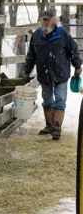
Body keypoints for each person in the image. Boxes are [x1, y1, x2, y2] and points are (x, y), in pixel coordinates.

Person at [24, 8, 82, 140]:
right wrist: (27, 71)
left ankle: (57, 127)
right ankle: (49, 125)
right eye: (43, 19)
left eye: (47, 19)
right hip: (44, 76)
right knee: (47, 101)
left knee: (60, 100)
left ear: (53, 20)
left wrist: (77, 66)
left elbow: (73, 50)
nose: (45, 22)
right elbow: (31, 55)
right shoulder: (37, 35)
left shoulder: (62, 34)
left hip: (61, 74)